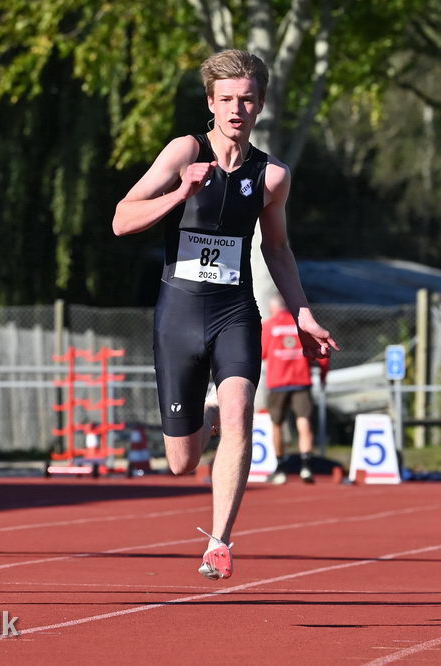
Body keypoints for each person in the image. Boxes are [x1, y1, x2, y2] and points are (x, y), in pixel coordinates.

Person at [112, 49, 338, 580]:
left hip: (235, 311)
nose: (237, 109)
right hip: (178, 313)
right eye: (227, 100)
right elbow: (122, 220)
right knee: (182, 461)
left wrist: (303, 314)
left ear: (259, 106)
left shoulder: (271, 177)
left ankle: (219, 541)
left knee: (241, 415)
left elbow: (277, 251)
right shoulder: (184, 151)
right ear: (211, 104)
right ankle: (204, 419)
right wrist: (181, 191)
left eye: (247, 100)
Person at [262, 293, 329, 484]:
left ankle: (280, 467)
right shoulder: (301, 325)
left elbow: (262, 352)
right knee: (303, 421)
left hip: (278, 383)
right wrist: (323, 376)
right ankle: (306, 466)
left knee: (277, 425)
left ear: (273, 308)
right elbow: (321, 351)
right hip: (301, 380)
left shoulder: (269, 326)